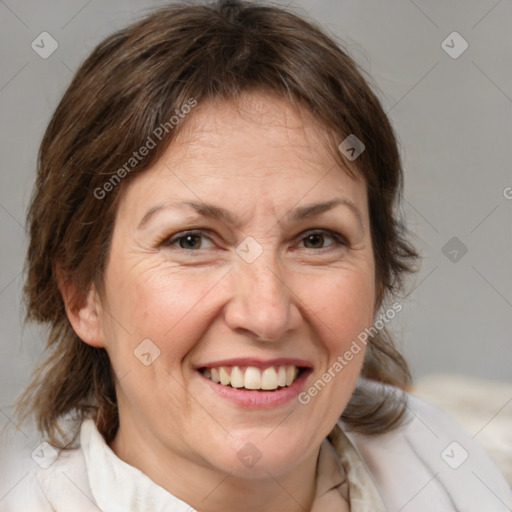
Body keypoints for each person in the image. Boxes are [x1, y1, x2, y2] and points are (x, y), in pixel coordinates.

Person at [1, 1, 510, 510]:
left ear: (379, 276)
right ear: (82, 297)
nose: (267, 314)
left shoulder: (454, 468)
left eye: (315, 240)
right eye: (191, 240)